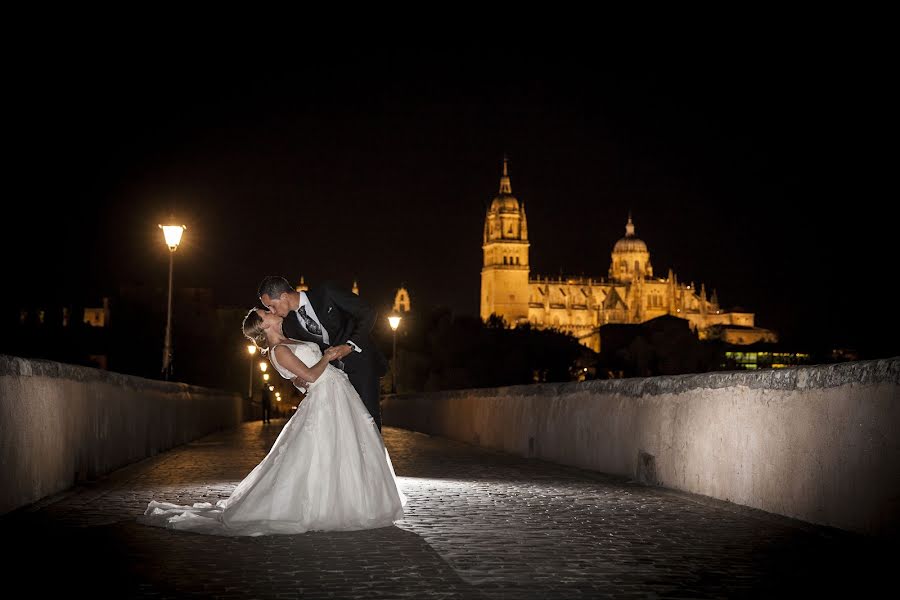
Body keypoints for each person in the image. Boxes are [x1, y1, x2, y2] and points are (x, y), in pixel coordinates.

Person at [138, 308, 406, 537]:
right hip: (327, 398)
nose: (271, 312)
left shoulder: (287, 341)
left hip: (336, 394)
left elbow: (301, 381)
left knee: (347, 449)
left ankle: (355, 501)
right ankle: (330, 506)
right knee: (325, 452)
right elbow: (311, 377)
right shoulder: (278, 350)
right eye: (265, 312)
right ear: (264, 325)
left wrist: (317, 372)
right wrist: (328, 356)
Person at [257, 276, 389, 431]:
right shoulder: (289, 326)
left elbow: (368, 312)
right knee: (345, 430)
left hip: (361, 366)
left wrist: (349, 346)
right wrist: (296, 380)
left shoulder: (327, 292)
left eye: (271, 306)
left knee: (370, 423)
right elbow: (302, 359)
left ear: (284, 296)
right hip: (333, 383)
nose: (272, 311)